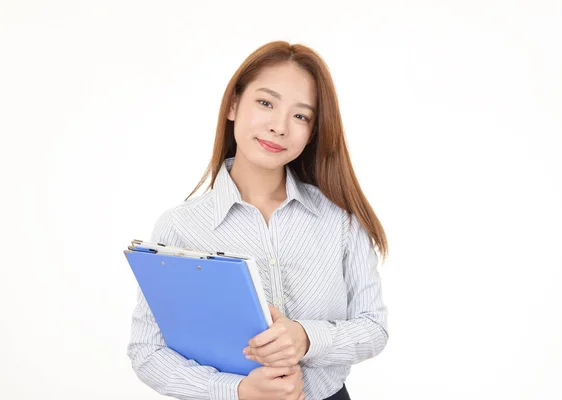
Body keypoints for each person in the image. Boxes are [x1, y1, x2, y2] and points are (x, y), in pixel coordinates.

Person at [127, 40, 389, 400]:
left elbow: (373, 328)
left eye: (301, 116)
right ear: (234, 104)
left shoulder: (340, 219)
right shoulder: (180, 227)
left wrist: (306, 337)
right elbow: (147, 352)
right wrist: (236, 389)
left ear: (313, 130)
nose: (280, 127)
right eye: (265, 103)